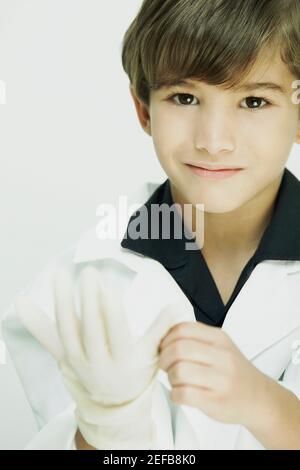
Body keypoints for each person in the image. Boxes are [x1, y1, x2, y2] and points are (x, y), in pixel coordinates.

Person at [2, 0, 300, 450]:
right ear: (144, 109)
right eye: (185, 98)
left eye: (253, 101)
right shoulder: (81, 282)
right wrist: (107, 425)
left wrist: (264, 403)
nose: (214, 141)